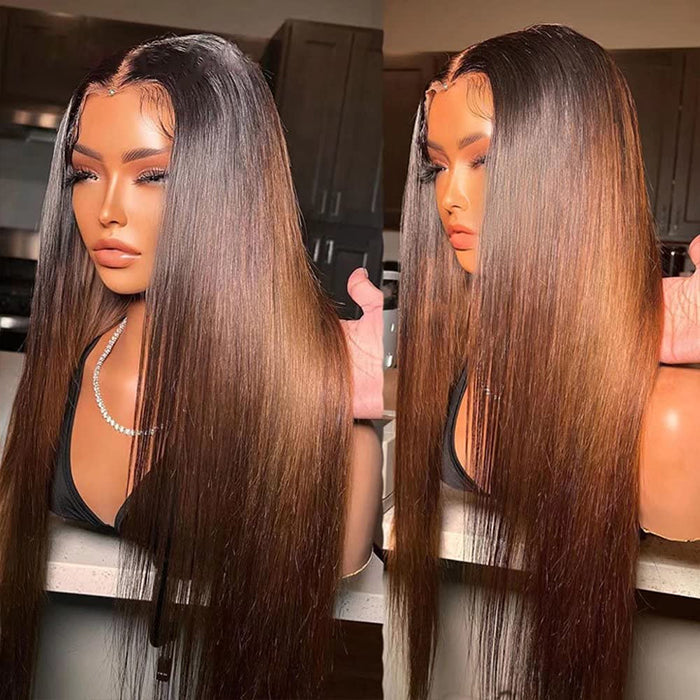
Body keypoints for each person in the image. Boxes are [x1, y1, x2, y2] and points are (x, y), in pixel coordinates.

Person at [0, 34, 383, 699]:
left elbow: (340, 562)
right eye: (85, 173)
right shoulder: (68, 361)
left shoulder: (293, 384)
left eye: (152, 175)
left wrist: (351, 410)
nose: (106, 210)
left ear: (230, 188)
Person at [389, 24, 699, 699]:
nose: (449, 196)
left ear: (574, 170)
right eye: (437, 165)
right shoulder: (463, 356)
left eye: (484, 160)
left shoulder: (668, 420)